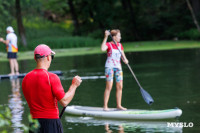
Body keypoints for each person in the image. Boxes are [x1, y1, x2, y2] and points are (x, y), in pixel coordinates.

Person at [22, 44, 82, 133]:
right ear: (48, 58)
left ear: (35, 59)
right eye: (51, 56)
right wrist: (74, 85)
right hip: (51, 123)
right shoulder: (52, 77)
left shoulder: (25, 78)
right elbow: (64, 101)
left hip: (33, 124)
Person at [101, 29, 129, 111]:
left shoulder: (120, 45)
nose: (120, 37)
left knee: (120, 86)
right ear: (114, 37)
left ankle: (119, 105)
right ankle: (105, 106)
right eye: (119, 36)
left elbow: (123, 56)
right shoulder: (108, 44)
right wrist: (105, 37)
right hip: (109, 67)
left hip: (118, 67)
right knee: (109, 86)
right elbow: (102, 49)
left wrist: (125, 60)